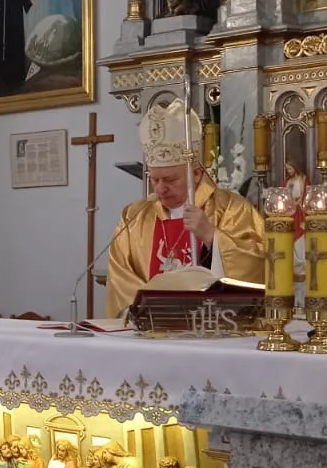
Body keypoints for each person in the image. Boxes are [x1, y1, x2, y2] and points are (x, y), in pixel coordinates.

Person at [105, 99, 266, 319]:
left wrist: (212, 237)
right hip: (152, 327)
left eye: (170, 180)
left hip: (213, 326)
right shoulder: (134, 217)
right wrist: (151, 311)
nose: (160, 189)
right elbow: (121, 277)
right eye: (154, 179)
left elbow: (259, 265)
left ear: (197, 173)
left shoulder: (232, 209)